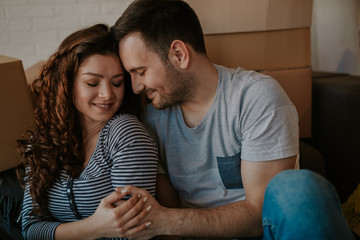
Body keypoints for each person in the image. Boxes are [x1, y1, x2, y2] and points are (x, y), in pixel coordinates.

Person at [110, 0, 356, 239]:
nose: (136, 86)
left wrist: (166, 221)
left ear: (179, 54)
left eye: (141, 72)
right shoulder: (152, 119)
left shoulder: (255, 96)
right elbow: (166, 211)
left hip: (265, 234)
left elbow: (259, 213)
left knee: (299, 188)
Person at [16, 23, 159, 240]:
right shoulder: (42, 140)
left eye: (117, 83)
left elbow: (130, 232)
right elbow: (30, 228)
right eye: (92, 83)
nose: (107, 94)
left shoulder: (125, 133)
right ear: (67, 83)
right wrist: (95, 227)